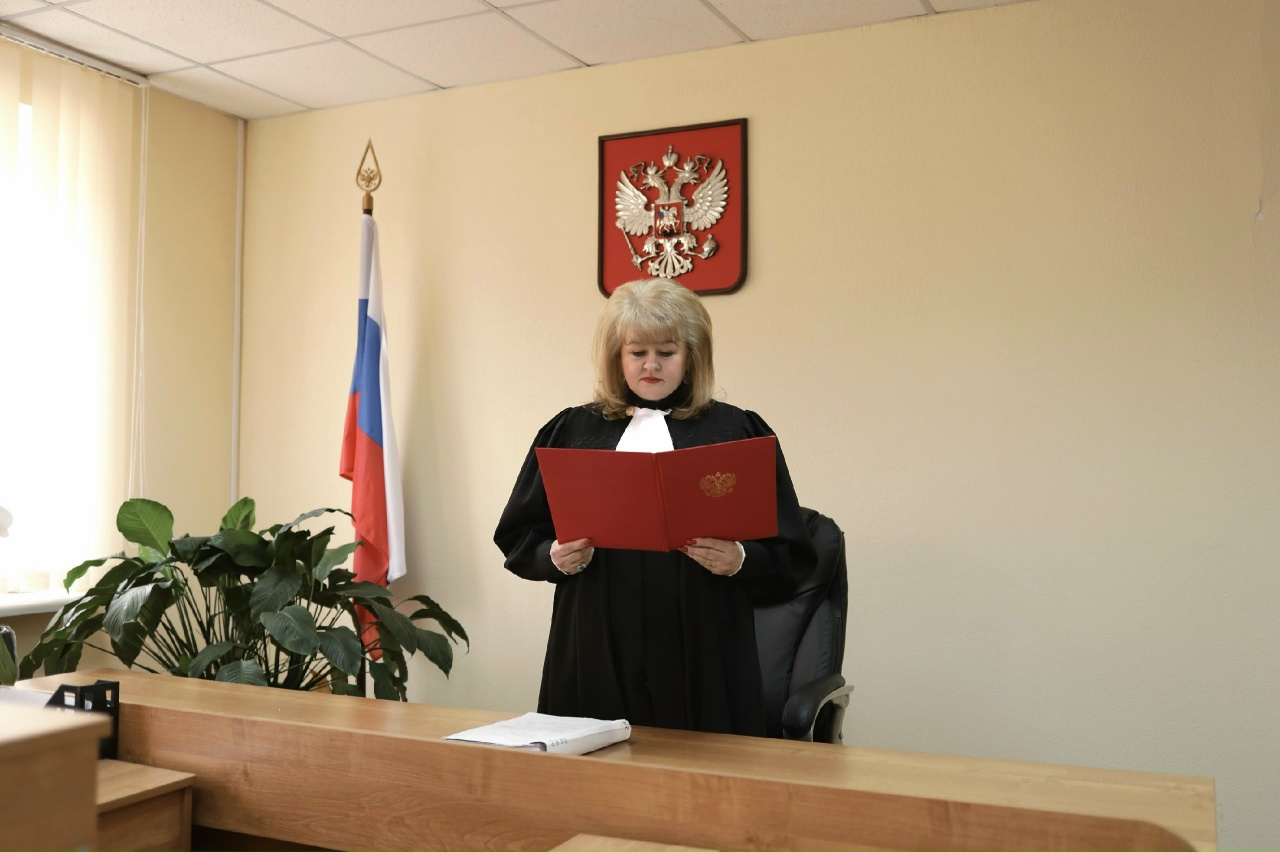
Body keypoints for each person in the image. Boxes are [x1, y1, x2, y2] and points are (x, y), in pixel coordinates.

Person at [494, 278, 815, 737]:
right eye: (637, 352)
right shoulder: (571, 431)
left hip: (703, 641)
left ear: (691, 357)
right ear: (616, 357)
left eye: (666, 352)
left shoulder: (736, 431)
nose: (651, 364)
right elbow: (521, 534)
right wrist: (554, 556)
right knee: (593, 766)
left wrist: (741, 558)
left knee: (700, 767)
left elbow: (792, 554)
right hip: (596, 636)